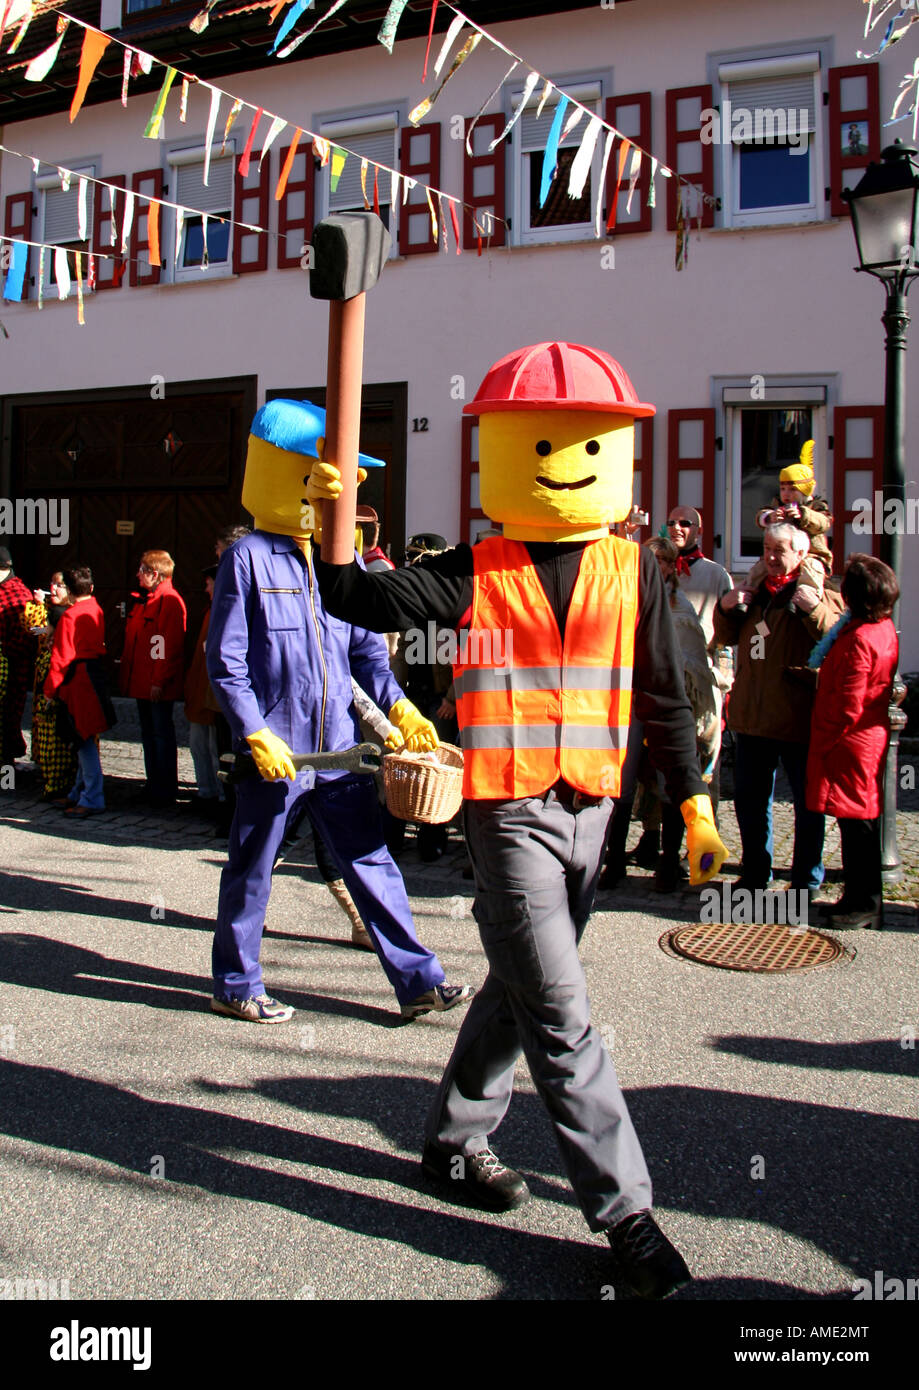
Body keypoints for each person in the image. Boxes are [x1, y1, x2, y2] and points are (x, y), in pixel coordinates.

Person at [314, 341, 727, 1300]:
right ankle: (625, 1216)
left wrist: (696, 803)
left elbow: (669, 694)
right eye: (538, 441)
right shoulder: (472, 566)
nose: (563, 457)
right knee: (563, 1011)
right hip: (505, 816)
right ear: (497, 448)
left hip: (593, 813)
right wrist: (327, 518)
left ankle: (453, 1144)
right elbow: (354, 597)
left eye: (586, 441)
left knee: (519, 983)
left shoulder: (641, 572)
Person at [206, 398, 473, 1025]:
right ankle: (235, 983)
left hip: (340, 752)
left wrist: (401, 707)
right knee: (252, 869)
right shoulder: (245, 559)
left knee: (372, 862)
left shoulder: (340, 562)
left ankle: (419, 981)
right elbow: (227, 663)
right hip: (279, 755)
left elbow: (366, 655)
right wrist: (254, 734)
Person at [714, 523, 845, 895]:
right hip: (751, 716)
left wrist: (814, 609)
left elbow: (835, 640)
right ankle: (756, 871)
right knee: (750, 802)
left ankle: (807, 880)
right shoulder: (753, 593)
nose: (771, 557)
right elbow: (725, 638)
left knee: (808, 805)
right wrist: (725, 609)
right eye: (767, 548)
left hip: (796, 714)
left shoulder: (819, 591)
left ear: (801, 555)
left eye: (781, 550)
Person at [807, 555, 899, 931]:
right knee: (856, 823)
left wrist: (824, 734)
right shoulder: (881, 628)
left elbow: (849, 702)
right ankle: (857, 897)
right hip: (863, 737)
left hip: (851, 742)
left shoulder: (861, 638)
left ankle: (866, 903)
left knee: (858, 826)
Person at [120, 550, 187, 809]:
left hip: (154, 684)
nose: (138, 574)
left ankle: (164, 789)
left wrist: (158, 680)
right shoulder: (149, 600)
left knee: (160, 735)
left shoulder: (168, 601)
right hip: (144, 681)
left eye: (142, 570)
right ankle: (154, 785)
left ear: (154, 574)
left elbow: (165, 645)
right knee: (149, 734)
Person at [44, 565, 111, 818]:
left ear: (70, 592)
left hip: (78, 680)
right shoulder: (96, 609)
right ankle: (79, 791)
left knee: (83, 741)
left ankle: (92, 797)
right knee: (87, 737)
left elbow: (61, 657)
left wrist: (50, 690)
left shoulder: (71, 616)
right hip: (93, 674)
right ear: (91, 588)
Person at [746, 441, 833, 611]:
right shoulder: (777, 504)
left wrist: (804, 515)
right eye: (783, 488)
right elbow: (760, 516)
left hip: (811, 556)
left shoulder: (816, 506)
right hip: (781, 556)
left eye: (792, 489)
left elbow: (825, 522)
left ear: (805, 490)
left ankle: (805, 601)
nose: (786, 494)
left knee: (811, 571)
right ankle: (746, 597)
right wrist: (769, 517)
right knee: (758, 569)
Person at [183, 565, 224, 816]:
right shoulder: (211, 611)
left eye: (209, 583)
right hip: (201, 690)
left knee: (213, 748)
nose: (205, 588)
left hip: (212, 693)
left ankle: (218, 795)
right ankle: (206, 791)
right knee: (200, 745)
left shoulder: (219, 611)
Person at [665, 506, 733, 647]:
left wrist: (724, 666)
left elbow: (728, 627)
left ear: (700, 531)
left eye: (685, 523)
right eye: (671, 523)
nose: (676, 528)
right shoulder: (658, 571)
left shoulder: (717, 575)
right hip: (663, 661)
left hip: (701, 662)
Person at [0, 546, 36, 769]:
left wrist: (4, 649)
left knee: (7, 715)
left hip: (11, 667)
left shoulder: (19, 594)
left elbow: (32, 632)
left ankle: (5, 760)